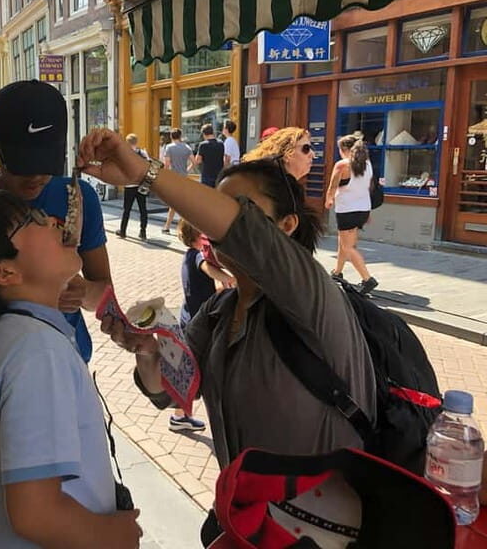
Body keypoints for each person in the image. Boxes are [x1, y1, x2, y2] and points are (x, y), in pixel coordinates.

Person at [78, 130, 376, 545]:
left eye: (237, 211)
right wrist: (148, 352)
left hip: (323, 531)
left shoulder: (310, 295)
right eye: (213, 207)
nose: (212, 225)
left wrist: (143, 172)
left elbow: (242, 230)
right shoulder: (219, 311)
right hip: (246, 518)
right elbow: (172, 392)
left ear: (285, 226)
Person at [0, 190, 142, 549]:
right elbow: (37, 514)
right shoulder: (36, 351)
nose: (55, 221)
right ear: (4, 271)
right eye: (33, 221)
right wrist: (115, 535)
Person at [0, 79, 112, 364]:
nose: (35, 177)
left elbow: (104, 294)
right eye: (22, 163)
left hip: (71, 356)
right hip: (7, 361)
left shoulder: (77, 198)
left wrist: (84, 293)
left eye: (46, 162)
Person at [169, 219, 232, 433]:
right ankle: (180, 415)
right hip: (197, 325)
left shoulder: (188, 256)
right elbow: (208, 269)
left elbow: (209, 283)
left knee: (190, 369)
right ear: (197, 235)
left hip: (189, 319)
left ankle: (181, 415)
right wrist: (230, 278)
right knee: (197, 371)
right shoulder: (196, 256)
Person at [326, 135, 378, 295]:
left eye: (340, 150)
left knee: (348, 247)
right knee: (344, 242)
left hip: (347, 210)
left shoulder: (342, 165)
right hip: (363, 209)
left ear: (345, 150)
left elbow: (333, 186)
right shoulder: (367, 165)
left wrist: (328, 200)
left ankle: (367, 279)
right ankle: (337, 272)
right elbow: (370, 187)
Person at [244, 126, 315, 179]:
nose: (313, 154)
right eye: (306, 148)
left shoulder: (287, 186)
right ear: (287, 154)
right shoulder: (270, 186)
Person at [115, 133, 149, 241]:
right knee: (143, 209)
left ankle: (123, 231)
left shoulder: (124, 154)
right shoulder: (142, 152)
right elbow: (149, 166)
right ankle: (143, 232)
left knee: (127, 209)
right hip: (141, 184)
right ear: (136, 142)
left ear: (127, 142)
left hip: (129, 185)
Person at [161, 128, 194, 234]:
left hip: (173, 178)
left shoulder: (169, 147)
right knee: (183, 203)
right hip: (183, 178)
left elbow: (166, 164)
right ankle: (187, 226)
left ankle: (167, 226)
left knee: (173, 204)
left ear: (171, 136)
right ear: (180, 136)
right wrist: (187, 170)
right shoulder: (187, 147)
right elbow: (194, 161)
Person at [193, 123, 227, 188]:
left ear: (204, 134)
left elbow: (198, 161)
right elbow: (223, 158)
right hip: (218, 175)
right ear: (212, 132)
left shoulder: (203, 145)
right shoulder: (221, 143)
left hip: (207, 176)